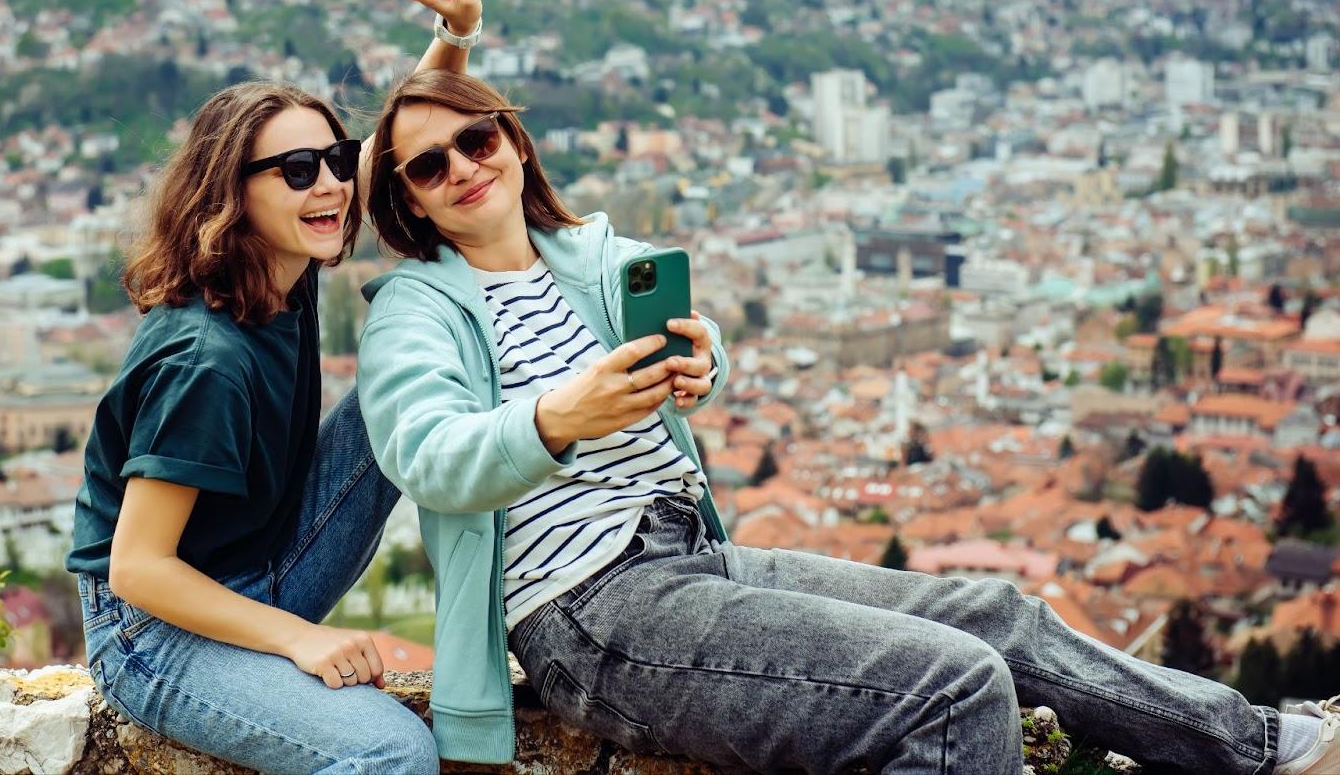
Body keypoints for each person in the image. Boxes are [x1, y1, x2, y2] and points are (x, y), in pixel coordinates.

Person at [354, 68, 1340, 774]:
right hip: (582, 611)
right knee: (953, 688)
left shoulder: (588, 256)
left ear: (513, 142)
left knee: (1002, 615)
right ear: (410, 202)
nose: (460, 168)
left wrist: (704, 362)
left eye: (474, 139)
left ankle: (1255, 748)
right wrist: (553, 419)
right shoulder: (417, 307)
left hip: (685, 555)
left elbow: (690, 352)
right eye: (426, 167)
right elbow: (427, 458)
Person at [65, 0, 484, 774]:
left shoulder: (281, 257)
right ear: (234, 194)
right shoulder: (205, 362)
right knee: (389, 751)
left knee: (416, 380)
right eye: (297, 170)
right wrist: (299, 640)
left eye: (330, 159)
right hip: (153, 632)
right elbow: (139, 569)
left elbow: (388, 150)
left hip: (256, 564)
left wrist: (455, 37)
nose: (329, 183)